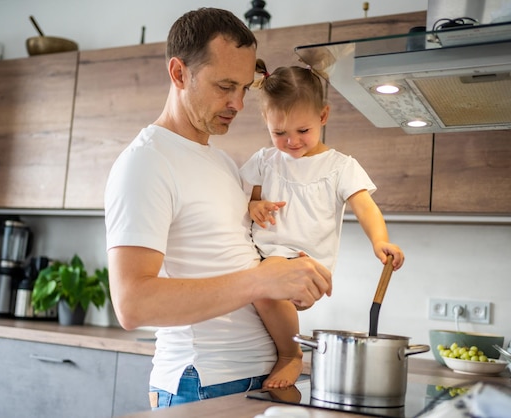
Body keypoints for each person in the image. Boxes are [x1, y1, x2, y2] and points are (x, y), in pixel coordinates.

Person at [104, 8, 332, 409]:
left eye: (245, 87)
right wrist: (263, 280)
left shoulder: (223, 163)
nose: (239, 103)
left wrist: (288, 280)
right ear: (179, 74)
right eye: (225, 86)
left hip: (260, 379)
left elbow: (235, 264)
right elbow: (132, 304)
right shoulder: (146, 162)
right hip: (202, 381)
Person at [241, 58, 405, 388]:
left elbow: (365, 206)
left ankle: (291, 355)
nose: (292, 141)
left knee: (266, 288)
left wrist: (380, 240)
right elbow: (246, 199)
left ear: (323, 116)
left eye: (303, 130)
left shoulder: (340, 166)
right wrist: (255, 205)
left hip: (309, 261)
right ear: (266, 123)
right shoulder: (265, 161)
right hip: (269, 255)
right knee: (265, 290)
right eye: (279, 132)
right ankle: (290, 353)